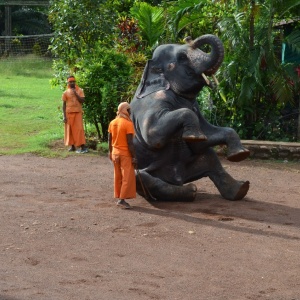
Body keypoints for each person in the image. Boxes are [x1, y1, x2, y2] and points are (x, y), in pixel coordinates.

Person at [108, 102, 137, 209]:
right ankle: (121, 200)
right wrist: (134, 157)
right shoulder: (127, 124)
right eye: (129, 110)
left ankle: (120, 197)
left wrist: (110, 152)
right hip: (125, 154)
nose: (130, 112)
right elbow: (130, 143)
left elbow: (109, 139)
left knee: (118, 176)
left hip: (115, 153)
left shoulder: (113, 122)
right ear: (125, 110)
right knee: (127, 177)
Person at [62, 76, 88, 153]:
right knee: (70, 130)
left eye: (73, 81)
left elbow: (82, 100)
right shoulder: (65, 92)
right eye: (70, 82)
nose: (72, 83)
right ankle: (72, 146)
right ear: (68, 83)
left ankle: (83, 146)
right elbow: (64, 104)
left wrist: (76, 94)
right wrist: (64, 116)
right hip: (69, 113)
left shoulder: (80, 90)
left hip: (78, 113)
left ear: (75, 82)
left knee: (79, 129)